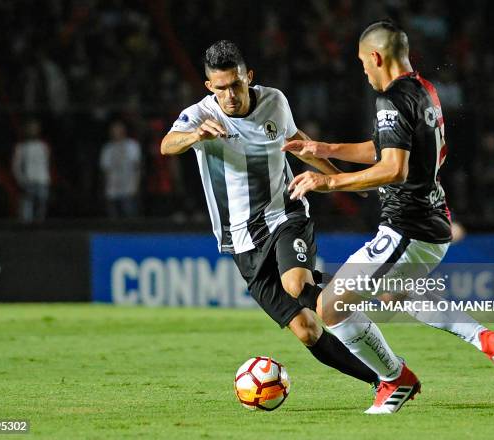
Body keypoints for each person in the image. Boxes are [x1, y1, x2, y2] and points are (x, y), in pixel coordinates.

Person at [283, 20, 494, 414]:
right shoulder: (424, 91)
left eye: (364, 63)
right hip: (430, 221)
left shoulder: (390, 100)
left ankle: (396, 381)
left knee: (329, 307)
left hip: (407, 229)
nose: (363, 71)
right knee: (396, 294)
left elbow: (393, 168)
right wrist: (323, 146)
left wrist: (329, 183)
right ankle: (485, 340)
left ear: (376, 57)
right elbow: (385, 148)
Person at [161, 40, 383, 392]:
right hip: (240, 240)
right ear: (209, 87)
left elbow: (298, 143)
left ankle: (382, 349)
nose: (230, 95)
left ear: (248, 77)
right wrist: (193, 136)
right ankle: (380, 379)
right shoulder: (202, 115)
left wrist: (340, 180)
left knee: (296, 283)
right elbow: (166, 144)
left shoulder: (274, 101)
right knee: (307, 330)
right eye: (221, 88)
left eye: (235, 84)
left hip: (284, 215)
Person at [100, 120, 142, 218]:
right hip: (112, 190)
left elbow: (137, 167)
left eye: (118, 130)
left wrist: (137, 185)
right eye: (114, 130)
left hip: (129, 189)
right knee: (113, 219)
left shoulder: (133, 146)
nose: (116, 132)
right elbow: (105, 171)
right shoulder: (107, 149)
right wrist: (105, 189)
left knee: (130, 218)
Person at [12, 119, 51, 222]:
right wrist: (21, 180)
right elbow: (16, 166)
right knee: (26, 212)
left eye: (35, 128)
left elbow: (45, 163)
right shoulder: (21, 147)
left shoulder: (43, 146)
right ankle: (25, 233)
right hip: (28, 181)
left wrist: (46, 179)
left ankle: (39, 232)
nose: (33, 131)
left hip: (42, 181)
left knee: (41, 211)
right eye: (31, 129)